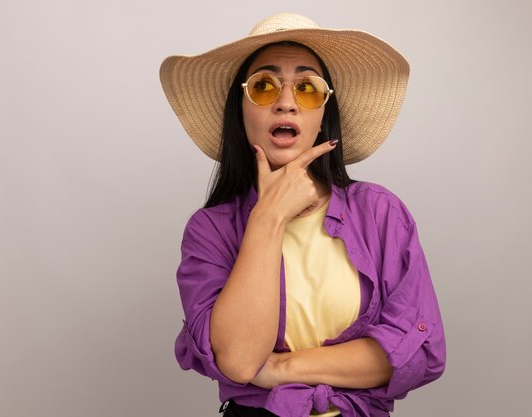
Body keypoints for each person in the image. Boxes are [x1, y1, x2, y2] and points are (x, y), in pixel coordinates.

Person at [159, 13, 446, 417]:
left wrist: (281, 368)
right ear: (240, 113)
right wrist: (269, 216)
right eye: (263, 86)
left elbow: (417, 351)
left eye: (308, 88)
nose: (287, 101)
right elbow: (239, 362)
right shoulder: (210, 231)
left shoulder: (380, 213)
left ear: (323, 114)